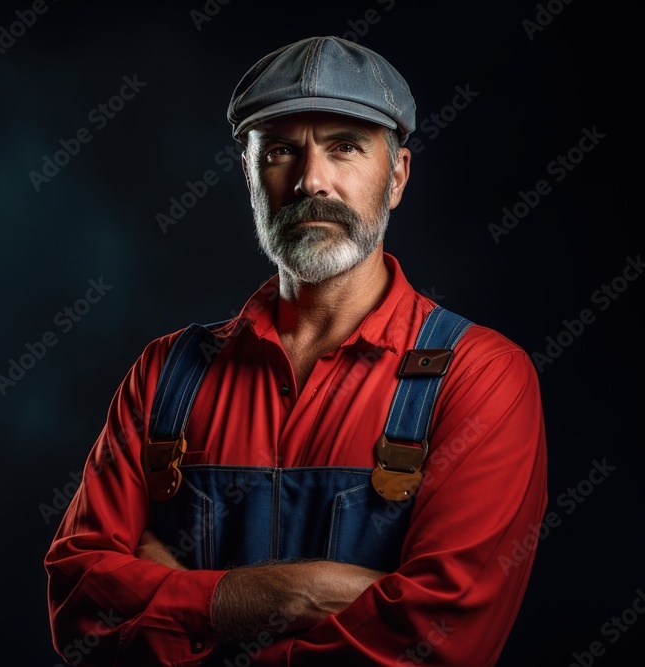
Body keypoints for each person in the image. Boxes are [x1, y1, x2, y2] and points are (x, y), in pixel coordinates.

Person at [44, 35, 548, 666]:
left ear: (396, 176)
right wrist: (298, 594)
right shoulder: (165, 374)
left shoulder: (481, 378)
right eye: (282, 150)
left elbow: (440, 643)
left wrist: (184, 606)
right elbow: (80, 609)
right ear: (250, 177)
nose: (313, 181)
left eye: (345, 148)